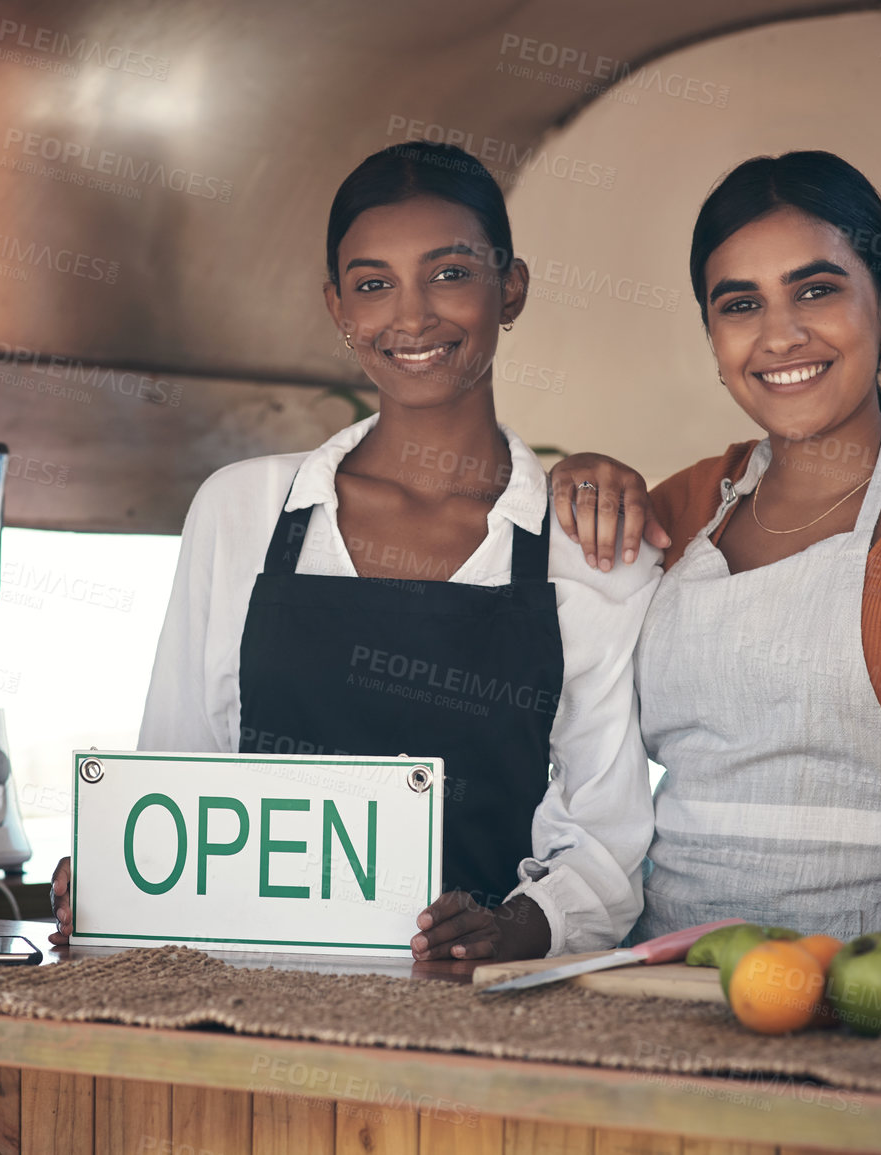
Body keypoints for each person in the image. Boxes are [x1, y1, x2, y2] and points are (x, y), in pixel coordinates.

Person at [52, 142, 660, 960]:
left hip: (478, 1021)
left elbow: (605, 845)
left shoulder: (585, 547)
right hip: (242, 997)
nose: (411, 318)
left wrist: (514, 926)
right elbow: (178, 773)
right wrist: (114, 874)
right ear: (339, 308)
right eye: (373, 285)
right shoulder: (243, 510)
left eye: (448, 273)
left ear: (509, 288)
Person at [551, 151, 881, 949]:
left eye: (816, 290)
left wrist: (855, 1007)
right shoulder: (686, 504)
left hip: (877, 1006)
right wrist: (576, 481)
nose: (779, 334)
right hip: (658, 984)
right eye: (738, 304)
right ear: (712, 336)